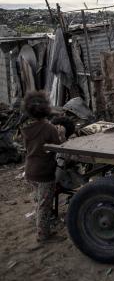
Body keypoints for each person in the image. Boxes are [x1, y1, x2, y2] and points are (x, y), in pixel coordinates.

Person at [21, 90, 66, 242]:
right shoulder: (49, 128)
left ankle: (41, 228)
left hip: (30, 170)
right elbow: (59, 148)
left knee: (38, 201)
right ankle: (43, 235)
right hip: (44, 172)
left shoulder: (25, 128)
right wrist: (61, 135)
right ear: (46, 109)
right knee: (44, 206)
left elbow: (29, 147)